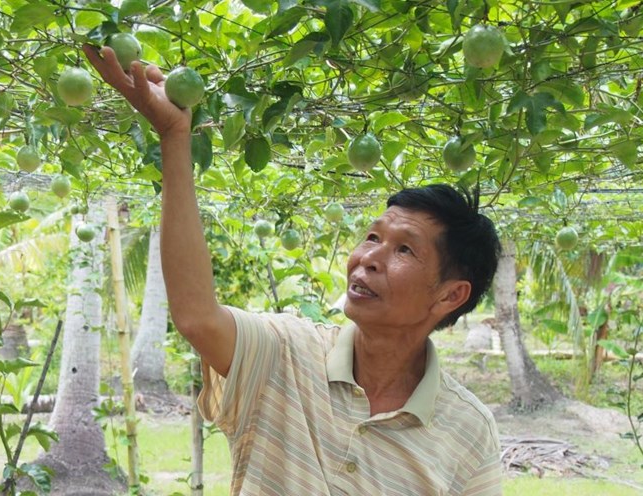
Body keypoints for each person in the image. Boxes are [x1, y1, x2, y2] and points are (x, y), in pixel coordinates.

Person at [83, 44, 504, 496]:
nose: (369, 258)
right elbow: (196, 317)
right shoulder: (285, 353)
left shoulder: (468, 432)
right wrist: (173, 136)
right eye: (373, 237)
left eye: (404, 250)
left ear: (450, 296)